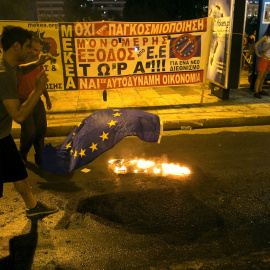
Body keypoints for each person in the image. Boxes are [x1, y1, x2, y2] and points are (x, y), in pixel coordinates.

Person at [0, 25, 58, 217]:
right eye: (26, 46)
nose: (28, 51)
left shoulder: (7, 66)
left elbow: (20, 70)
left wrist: (38, 62)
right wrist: (38, 89)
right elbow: (19, 115)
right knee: (17, 170)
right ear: (16, 46)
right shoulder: (3, 75)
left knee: (19, 171)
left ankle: (33, 207)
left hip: (3, 135)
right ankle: (32, 207)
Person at [18, 37, 52, 166]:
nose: (37, 53)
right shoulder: (17, 63)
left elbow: (41, 81)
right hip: (22, 101)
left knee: (41, 130)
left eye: (39, 50)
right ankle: (22, 154)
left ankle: (39, 157)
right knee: (29, 131)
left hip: (37, 100)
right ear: (27, 48)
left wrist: (47, 97)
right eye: (34, 49)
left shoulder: (38, 63)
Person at [253, 25, 270, 98]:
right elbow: (256, 45)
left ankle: (260, 89)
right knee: (260, 76)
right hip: (264, 59)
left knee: (264, 76)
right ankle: (256, 91)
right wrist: (258, 54)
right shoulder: (266, 37)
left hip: (269, 60)